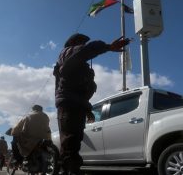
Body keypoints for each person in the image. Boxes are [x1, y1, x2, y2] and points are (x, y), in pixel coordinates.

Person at [53, 33, 130, 175]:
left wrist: (86, 108)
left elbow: (83, 89)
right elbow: (84, 51)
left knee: (73, 142)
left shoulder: (79, 64)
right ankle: (71, 171)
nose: (83, 45)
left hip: (76, 104)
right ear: (73, 43)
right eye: (81, 42)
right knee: (70, 143)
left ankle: (69, 170)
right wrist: (108, 47)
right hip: (69, 103)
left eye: (84, 43)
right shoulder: (68, 53)